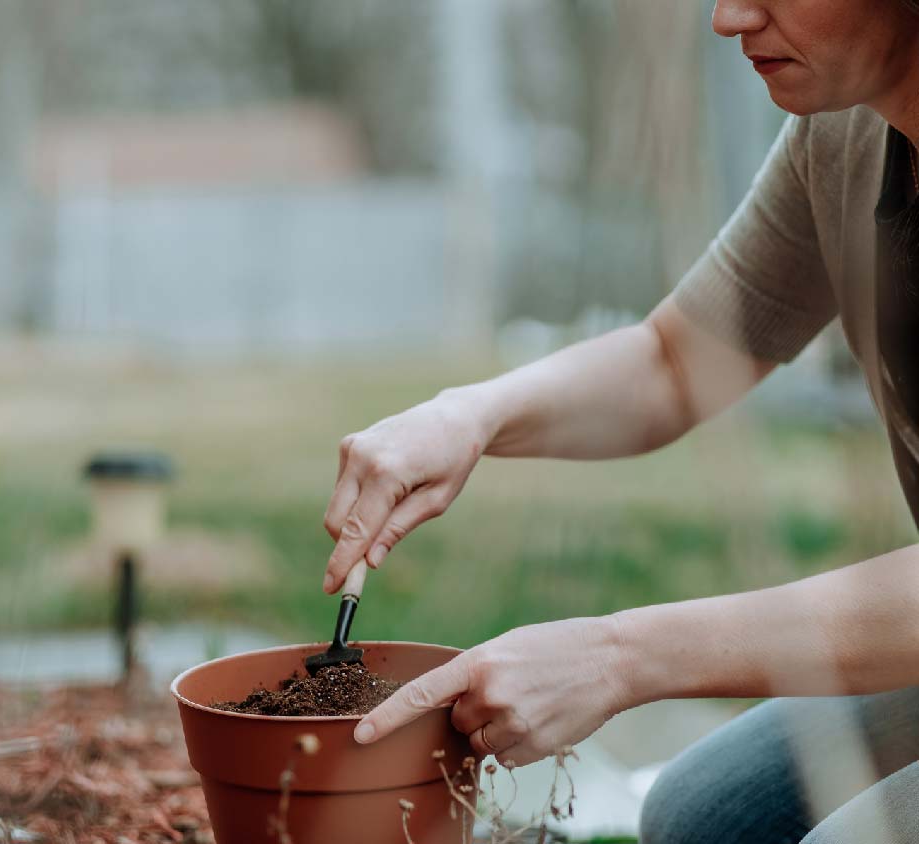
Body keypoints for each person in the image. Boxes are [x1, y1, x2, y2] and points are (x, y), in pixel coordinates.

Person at [321, 1, 919, 841]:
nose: (729, 17)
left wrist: (617, 655)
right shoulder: (845, 136)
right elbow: (679, 361)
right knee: (696, 817)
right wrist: (468, 417)